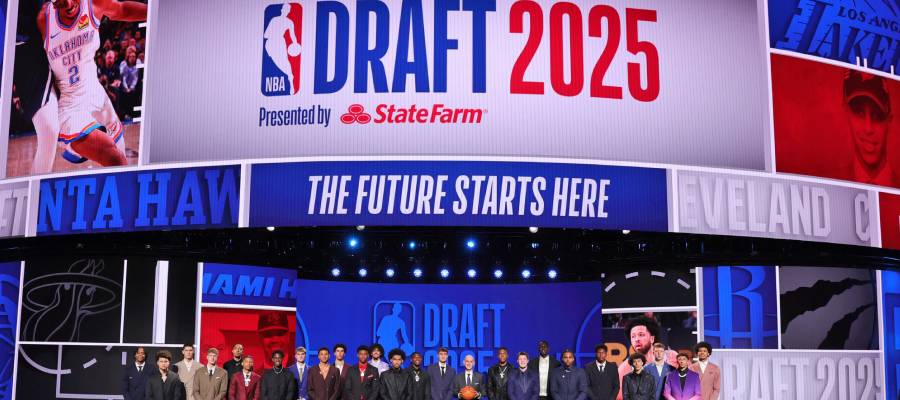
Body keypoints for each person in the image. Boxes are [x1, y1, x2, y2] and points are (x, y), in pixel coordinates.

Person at [35, 0, 146, 169]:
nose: (70, 4)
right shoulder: (44, 19)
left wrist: (155, 11)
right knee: (115, 159)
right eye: (63, 3)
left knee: (121, 157)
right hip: (69, 107)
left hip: (96, 94)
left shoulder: (93, 4)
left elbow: (122, 9)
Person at [843, 70, 898, 187]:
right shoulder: (828, 184)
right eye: (859, 113)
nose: (868, 128)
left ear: (889, 121)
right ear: (846, 113)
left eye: (877, 115)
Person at [618, 317, 671, 400]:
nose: (637, 339)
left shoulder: (671, 357)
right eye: (633, 336)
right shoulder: (625, 368)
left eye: (641, 335)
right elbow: (619, 397)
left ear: (652, 338)